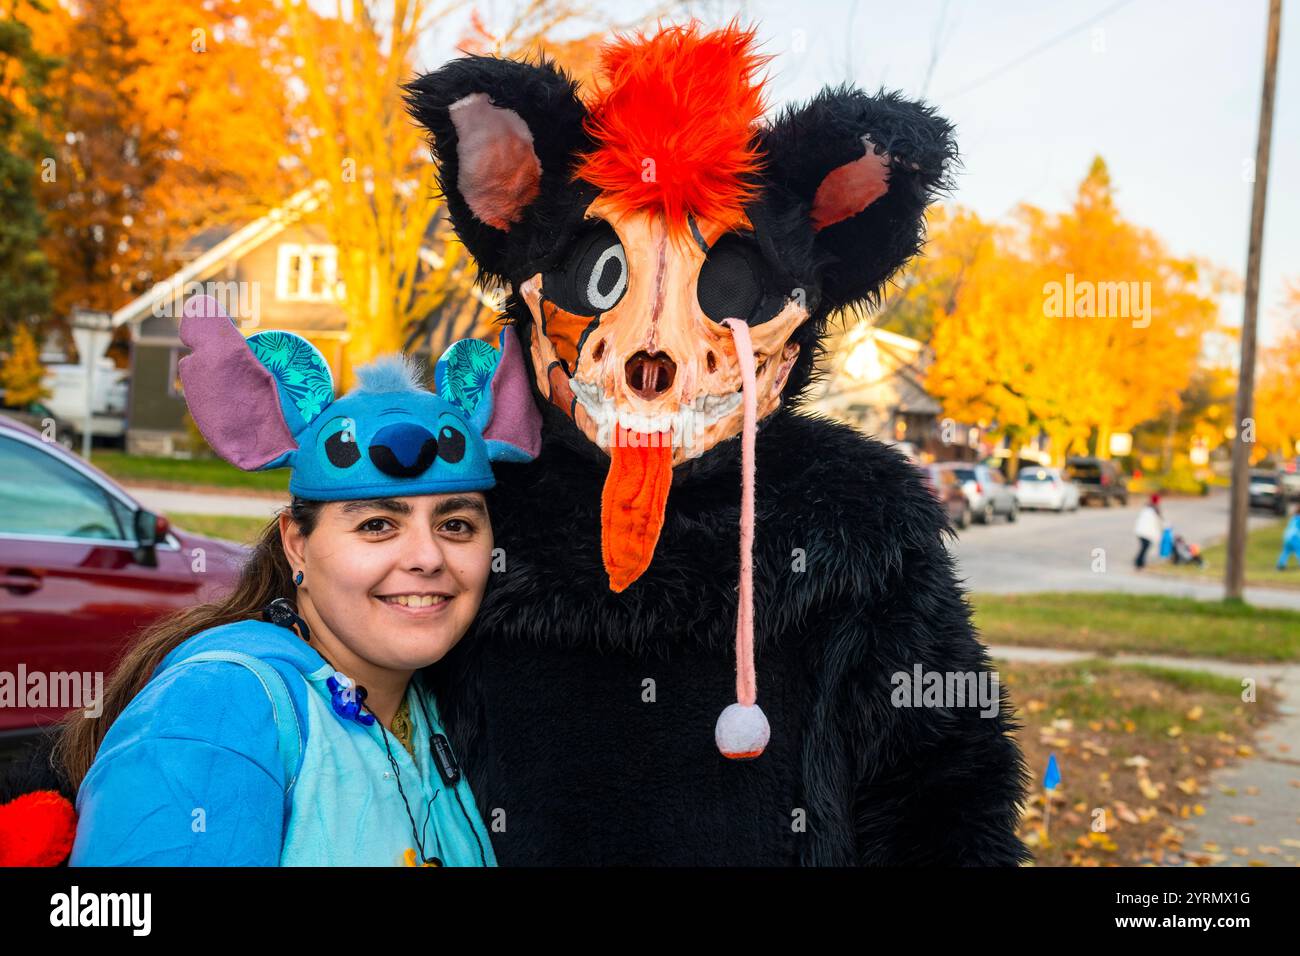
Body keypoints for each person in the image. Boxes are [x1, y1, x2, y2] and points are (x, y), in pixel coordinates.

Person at [18, 296, 540, 866]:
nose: (427, 557)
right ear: (298, 543)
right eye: (377, 525)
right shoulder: (216, 711)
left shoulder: (441, 709)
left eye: (457, 524)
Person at [1134, 494, 1164, 569]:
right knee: (1145, 547)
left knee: (1144, 547)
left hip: (1140, 531)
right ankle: (1139, 563)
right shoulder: (1155, 510)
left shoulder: (1146, 508)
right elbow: (1158, 521)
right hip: (1146, 532)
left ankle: (1140, 562)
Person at [1277, 505, 1300, 571]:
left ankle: (1280, 565)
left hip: (1287, 537)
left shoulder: (1293, 518)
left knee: (1286, 551)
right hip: (1294, 537)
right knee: (1299, 550)